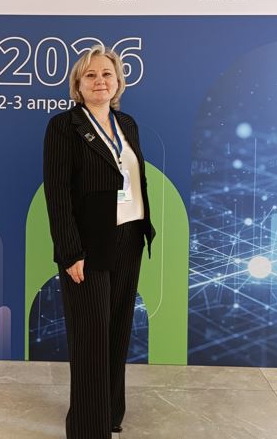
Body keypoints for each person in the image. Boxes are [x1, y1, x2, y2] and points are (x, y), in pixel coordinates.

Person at [43, 45, 156, 439]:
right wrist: (69, 251)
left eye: (107, 74)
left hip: (128, 236)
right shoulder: (64, 126)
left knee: (117, 330)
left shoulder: (127, 123)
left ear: (118, 81)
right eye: (90, 75)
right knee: (90, 337)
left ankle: (110, 412)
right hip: (87, 246)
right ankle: (88, 428)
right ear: (78, 85)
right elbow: (57, 193)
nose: (100, 81)